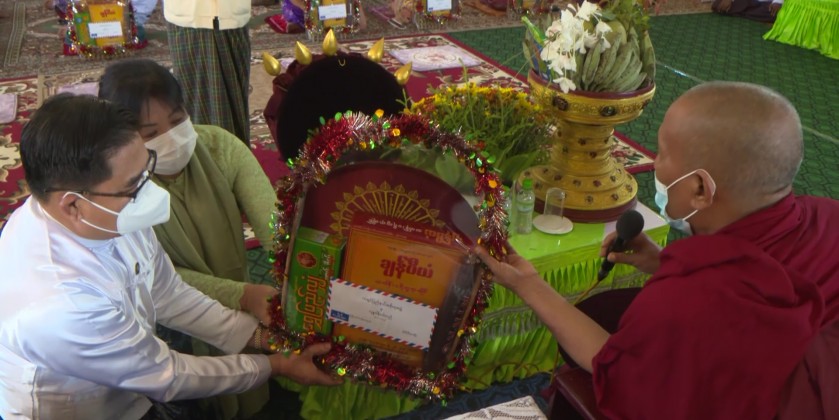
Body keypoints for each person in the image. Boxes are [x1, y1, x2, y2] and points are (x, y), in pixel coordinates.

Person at [476, 81, 839, 418]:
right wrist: (663, 262)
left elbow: (616, 368)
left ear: (700, 189)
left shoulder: (688, 301)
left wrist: (528, 284)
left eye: (662, 153)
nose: (655, 165)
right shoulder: (829, 215)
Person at [0, 94, 340, 419]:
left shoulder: (108, 210)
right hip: (79, 406)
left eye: (148, 168)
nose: (150, 191)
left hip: (132, 370)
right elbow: (168, 375)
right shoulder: (60, 304)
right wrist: (274, 366)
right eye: (135, 185)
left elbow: (166, 292)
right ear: (73, 204)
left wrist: (256, 337)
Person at [98, 58, 280, 418]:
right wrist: (242, 295)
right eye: (150, 133)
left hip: (233, 297)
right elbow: (159, 283)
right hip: (165, 325)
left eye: (178, 120)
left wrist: (299, 264)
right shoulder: (119, 188)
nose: (172, 137)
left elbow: (275, 226)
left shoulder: (217, 147)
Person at [164, 0, 252, 145]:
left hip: (231, 16)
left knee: (235, 103)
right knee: (194, 102)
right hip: (189, 17)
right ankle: (201, 154)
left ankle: (235, 154)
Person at [713, 0, 783, 23]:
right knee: (717, 5)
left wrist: (778, 2)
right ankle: (748, 11)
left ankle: (741, 11)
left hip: (769, 3)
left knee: (777, 12)